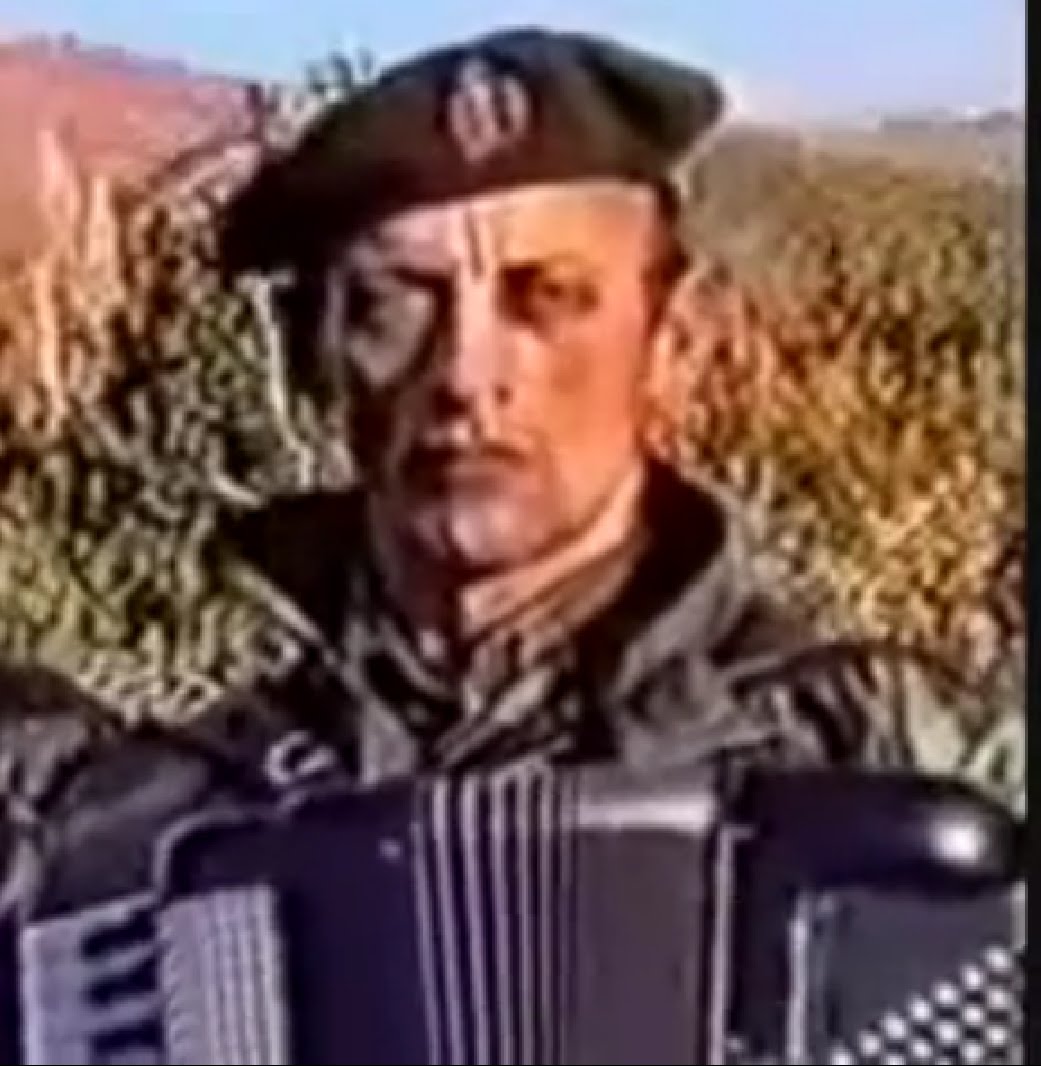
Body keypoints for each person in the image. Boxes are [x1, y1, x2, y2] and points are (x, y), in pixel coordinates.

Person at [0, 28, 968, 911]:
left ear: (674, 341)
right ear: (313, 356)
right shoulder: (172, 824)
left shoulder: (868, 757)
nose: (466, 374)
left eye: (549, 298)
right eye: (397, 303)